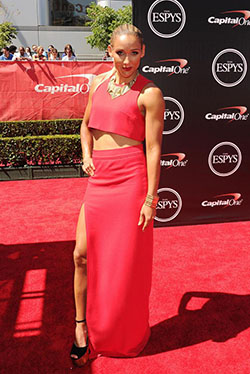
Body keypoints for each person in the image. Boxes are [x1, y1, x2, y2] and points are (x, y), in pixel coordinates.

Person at [70, 24, 164, 367]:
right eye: (120, 52)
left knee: (123, 264)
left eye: (134, 53)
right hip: (100, 179)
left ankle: (123, 334)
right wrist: (86, 154)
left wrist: (150, 198)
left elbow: (153, 149)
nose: (127, 60)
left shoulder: (150, 93)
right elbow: (85, 125)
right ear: (109, 50)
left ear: (143, 52)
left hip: (129, 180)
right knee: (81, 255)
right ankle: (82, 328)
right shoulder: (96, 83)